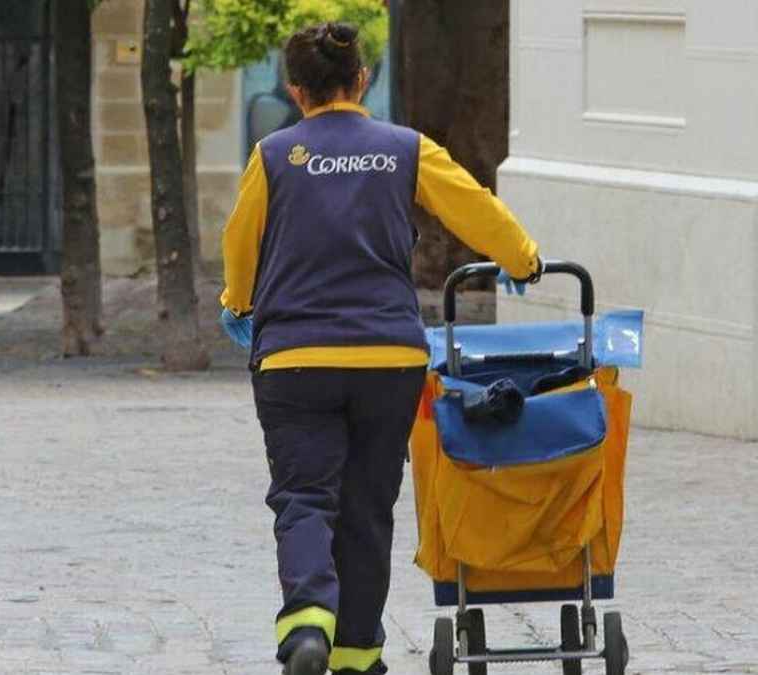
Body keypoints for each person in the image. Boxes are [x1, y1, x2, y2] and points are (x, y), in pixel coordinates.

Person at [219, 21, 543, 675]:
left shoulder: (276, 154)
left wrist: (237, 303)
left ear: (294, 89)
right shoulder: (404, 148)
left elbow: (241, 239)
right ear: (361, 80)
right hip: (387, 357)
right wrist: (523, 258)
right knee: (368, 506)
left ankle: (308, 621)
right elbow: (472, 206)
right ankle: (358, 653)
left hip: (295, 358)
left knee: (304, 495)